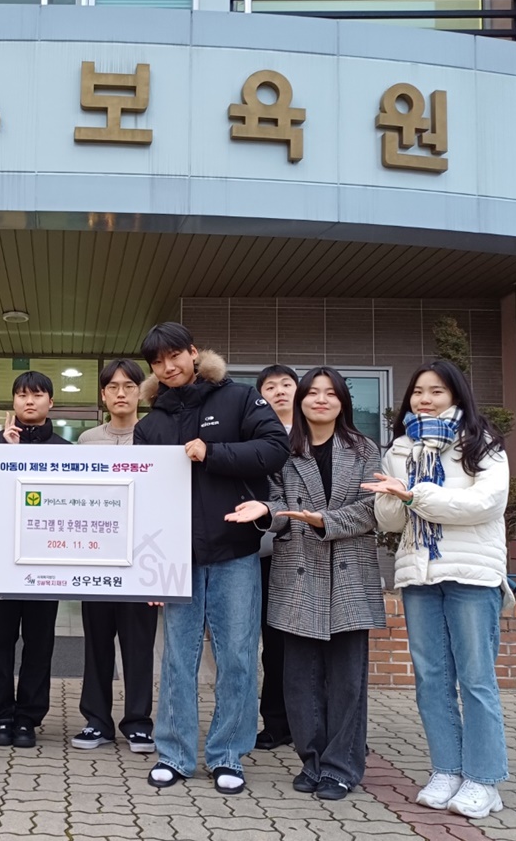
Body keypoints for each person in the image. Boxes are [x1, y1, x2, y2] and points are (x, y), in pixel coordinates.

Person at [134, 323, 289, 795]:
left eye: (174, 356)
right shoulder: (150, 424)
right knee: (177, 659)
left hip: (234, 550)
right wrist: (149, 570)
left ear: (193, 353)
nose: (168, 367)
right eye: (157, 362)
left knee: (237, 656)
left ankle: (227, 755)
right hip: (175, 559)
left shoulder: (239, 398)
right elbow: (143, 499)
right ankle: (175, 754)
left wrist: (213, 453)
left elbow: (275, 449)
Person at [362, 360, 511, 820]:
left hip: (472, 573)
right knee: (431, 679)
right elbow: (391, 522)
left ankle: (484, 780)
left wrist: (414, 495)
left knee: (476, 679)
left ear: (456, 396)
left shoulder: (481, 442)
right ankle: (447, 770)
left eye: (436, 391)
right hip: (419, 573)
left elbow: (485, 504)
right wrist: (393, 498)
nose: (425, 399)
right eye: (418, 392)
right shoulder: (400, 448)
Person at [227, 367, 383, 801]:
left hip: (349, 572)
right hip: (297, 569)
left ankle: (341, 767)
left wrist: (323, 521)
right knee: (299, 677)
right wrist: (264, 512)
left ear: (342, 402)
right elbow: (277, 504)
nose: (320, 400)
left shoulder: (365, 449)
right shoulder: (285, 450)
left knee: (347, 679)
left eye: (330, 393)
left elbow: (373, 507)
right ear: (302, 401)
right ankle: (312, 760)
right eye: (313, 393)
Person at [0, 370, 71, 748]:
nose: (28, 401)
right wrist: (6, 451)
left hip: (46, 562)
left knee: (39, 642)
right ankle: (0, 716)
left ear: (51, 402)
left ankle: (28, 718)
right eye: (21, 395)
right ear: (13, 401)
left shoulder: (67, 451)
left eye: (36, 395)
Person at [71, 358, 158, 754]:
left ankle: (138, 723)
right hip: (97, 555)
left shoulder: (159, 435)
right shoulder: (87, 440)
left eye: (129, 386)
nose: (121, 393)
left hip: (143, 557)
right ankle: (97, 721)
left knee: (139, 644)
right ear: (103, 395)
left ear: (141, 392)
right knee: (97, 643)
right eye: (112, 387)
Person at [253, 364, 298, 752]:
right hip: (269, 551)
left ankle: (323, 724)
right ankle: (276, 722)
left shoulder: (315, 433)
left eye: (287, 384)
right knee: (275, 641)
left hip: (314, 550)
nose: (280, 391)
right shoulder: (256, 436)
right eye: (270, 386)